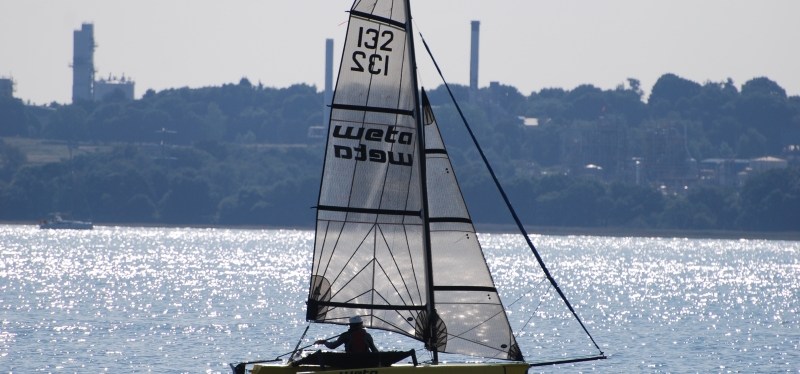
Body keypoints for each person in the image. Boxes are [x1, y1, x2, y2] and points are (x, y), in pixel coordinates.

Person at [314, 316, 378, 353]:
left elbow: (332, 346)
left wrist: (324, 342)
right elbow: (375, 351)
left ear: (350, 325)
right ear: (361, 324)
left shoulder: (345, 335)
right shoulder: (367, 336)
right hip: (366, 361)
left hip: (350, 361)